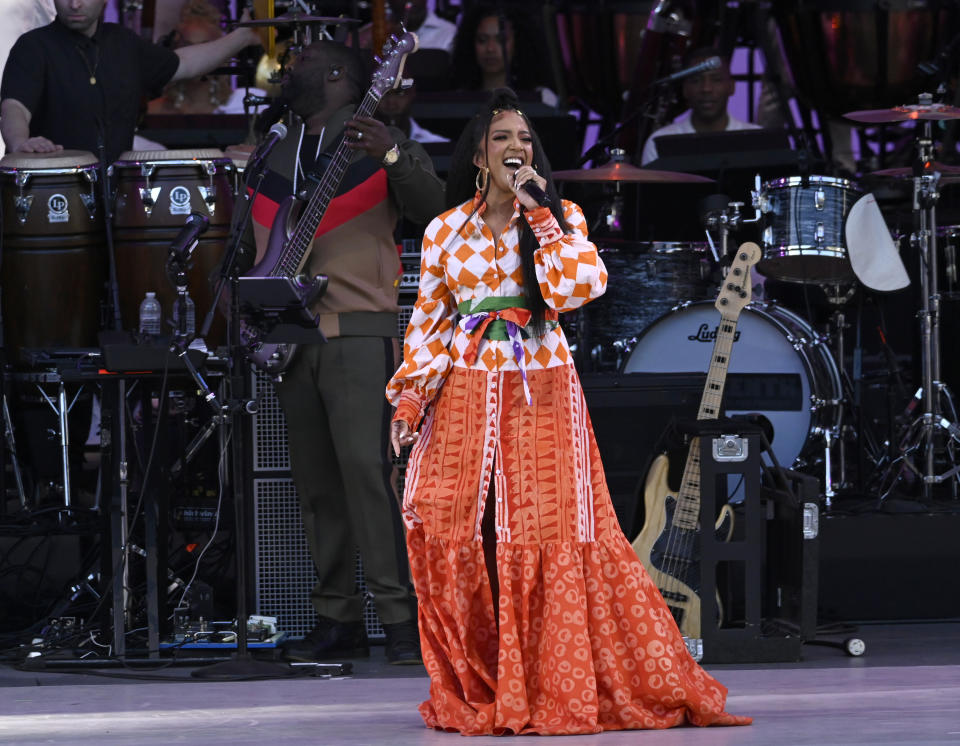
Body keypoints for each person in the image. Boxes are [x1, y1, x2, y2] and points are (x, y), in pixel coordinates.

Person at [386, 88, 752, 735]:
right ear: (478, 154)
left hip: (542, 392)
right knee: (451, 523)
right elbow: (430, 323)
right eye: (502, 139)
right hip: (467, 393)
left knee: (545, 534)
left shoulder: (561, 217)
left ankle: (557, 684)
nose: (517, 150)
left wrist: (543, 218)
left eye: (525, 140)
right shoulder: (447, 230)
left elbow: (579, 288)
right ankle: (488, 679)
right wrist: (411, 398)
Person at [233, 40, 446, 665]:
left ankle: (401, 621)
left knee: (368, 479)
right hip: (289, 333)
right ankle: (337, 618)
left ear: (336, 77)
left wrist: (394, 153)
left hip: (356, 328)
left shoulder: (379, 145)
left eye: (298, 61)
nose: (283, 68)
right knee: (318, 489)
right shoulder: (277, 149)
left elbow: (438, 214)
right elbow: (253, 245)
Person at [0, 0, 260, 164]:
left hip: (118, 198)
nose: (75, 4)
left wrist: (242, 37)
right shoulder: (33, 46)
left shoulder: (123, 43)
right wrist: (21, 144)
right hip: (55, 197)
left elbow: (185, 63)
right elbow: (15, 107)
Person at [640, 47, 761, 165]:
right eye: (696, 80)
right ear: (685, 89)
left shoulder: (756, 138)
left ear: (732, 87)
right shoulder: (660, 142)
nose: (706, 88)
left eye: (716, 79)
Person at [449, 3, 558, 107]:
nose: (490, 49)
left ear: (518, 43)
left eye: (501, 40)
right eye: (482, 40)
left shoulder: (541, 98)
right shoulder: (458, 99)